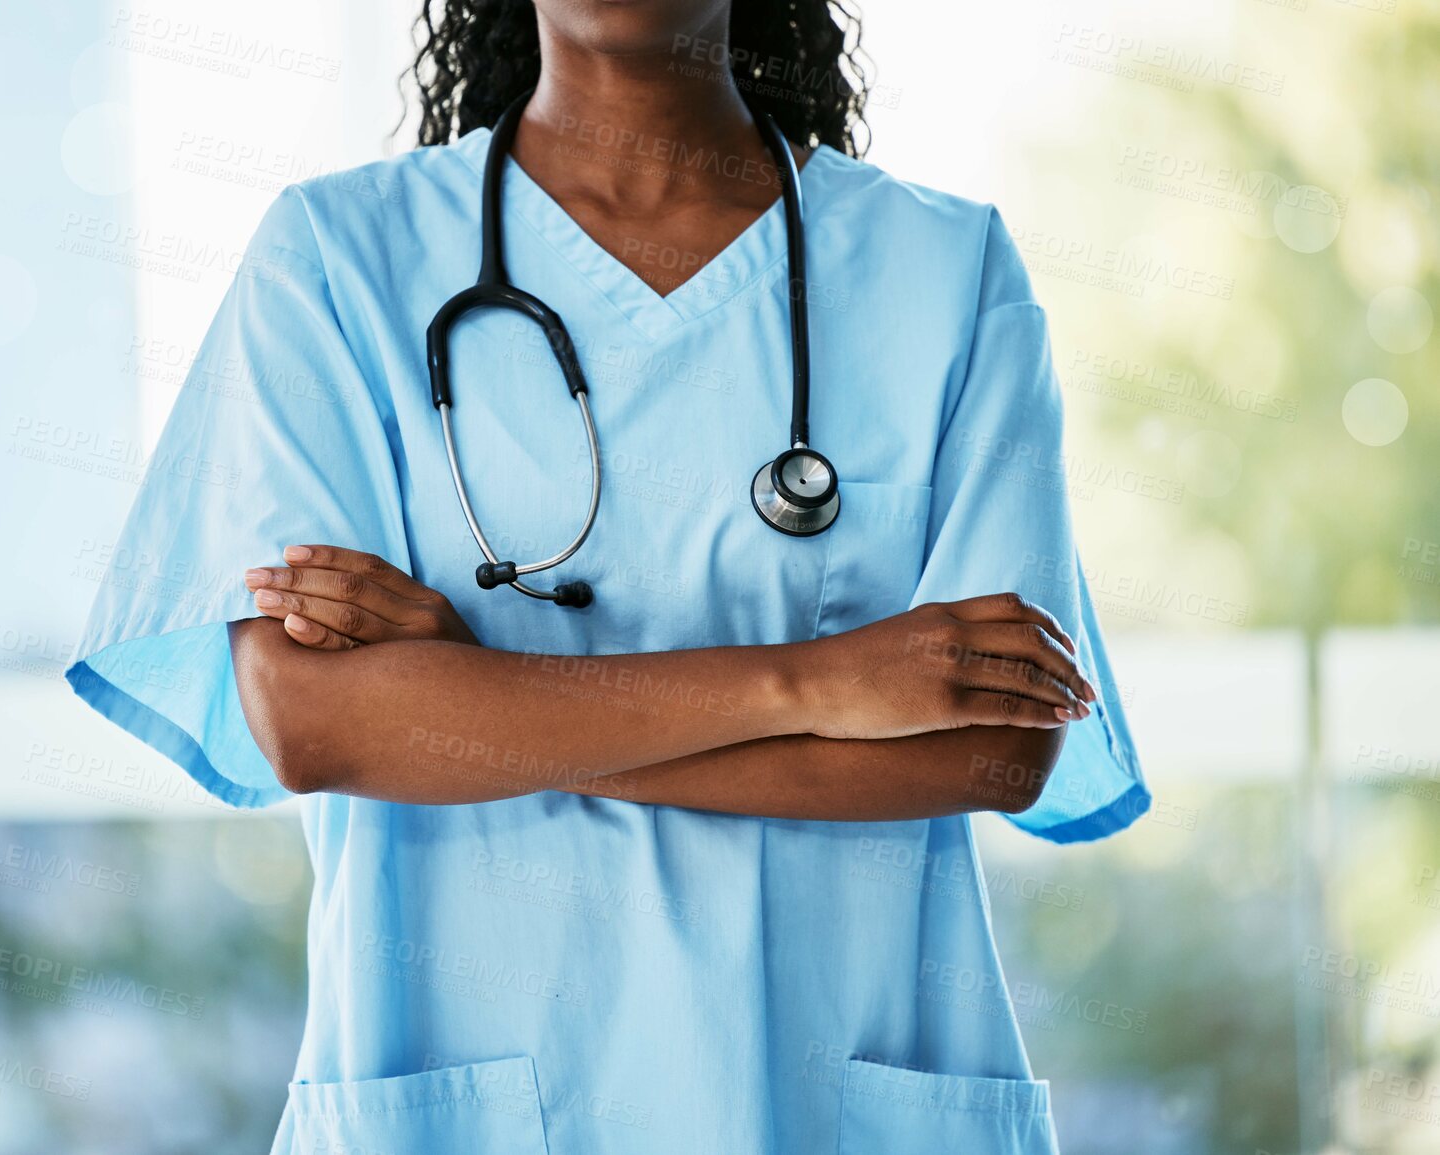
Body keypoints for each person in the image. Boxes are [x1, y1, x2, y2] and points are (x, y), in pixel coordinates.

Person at [65, 1, 1149, 1151]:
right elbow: (316, 723)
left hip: (830, 1095)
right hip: (465, 1098)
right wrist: (816, 684)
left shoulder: (946, 271)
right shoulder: (336, 257)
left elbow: (1000, 743)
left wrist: (472, 697)